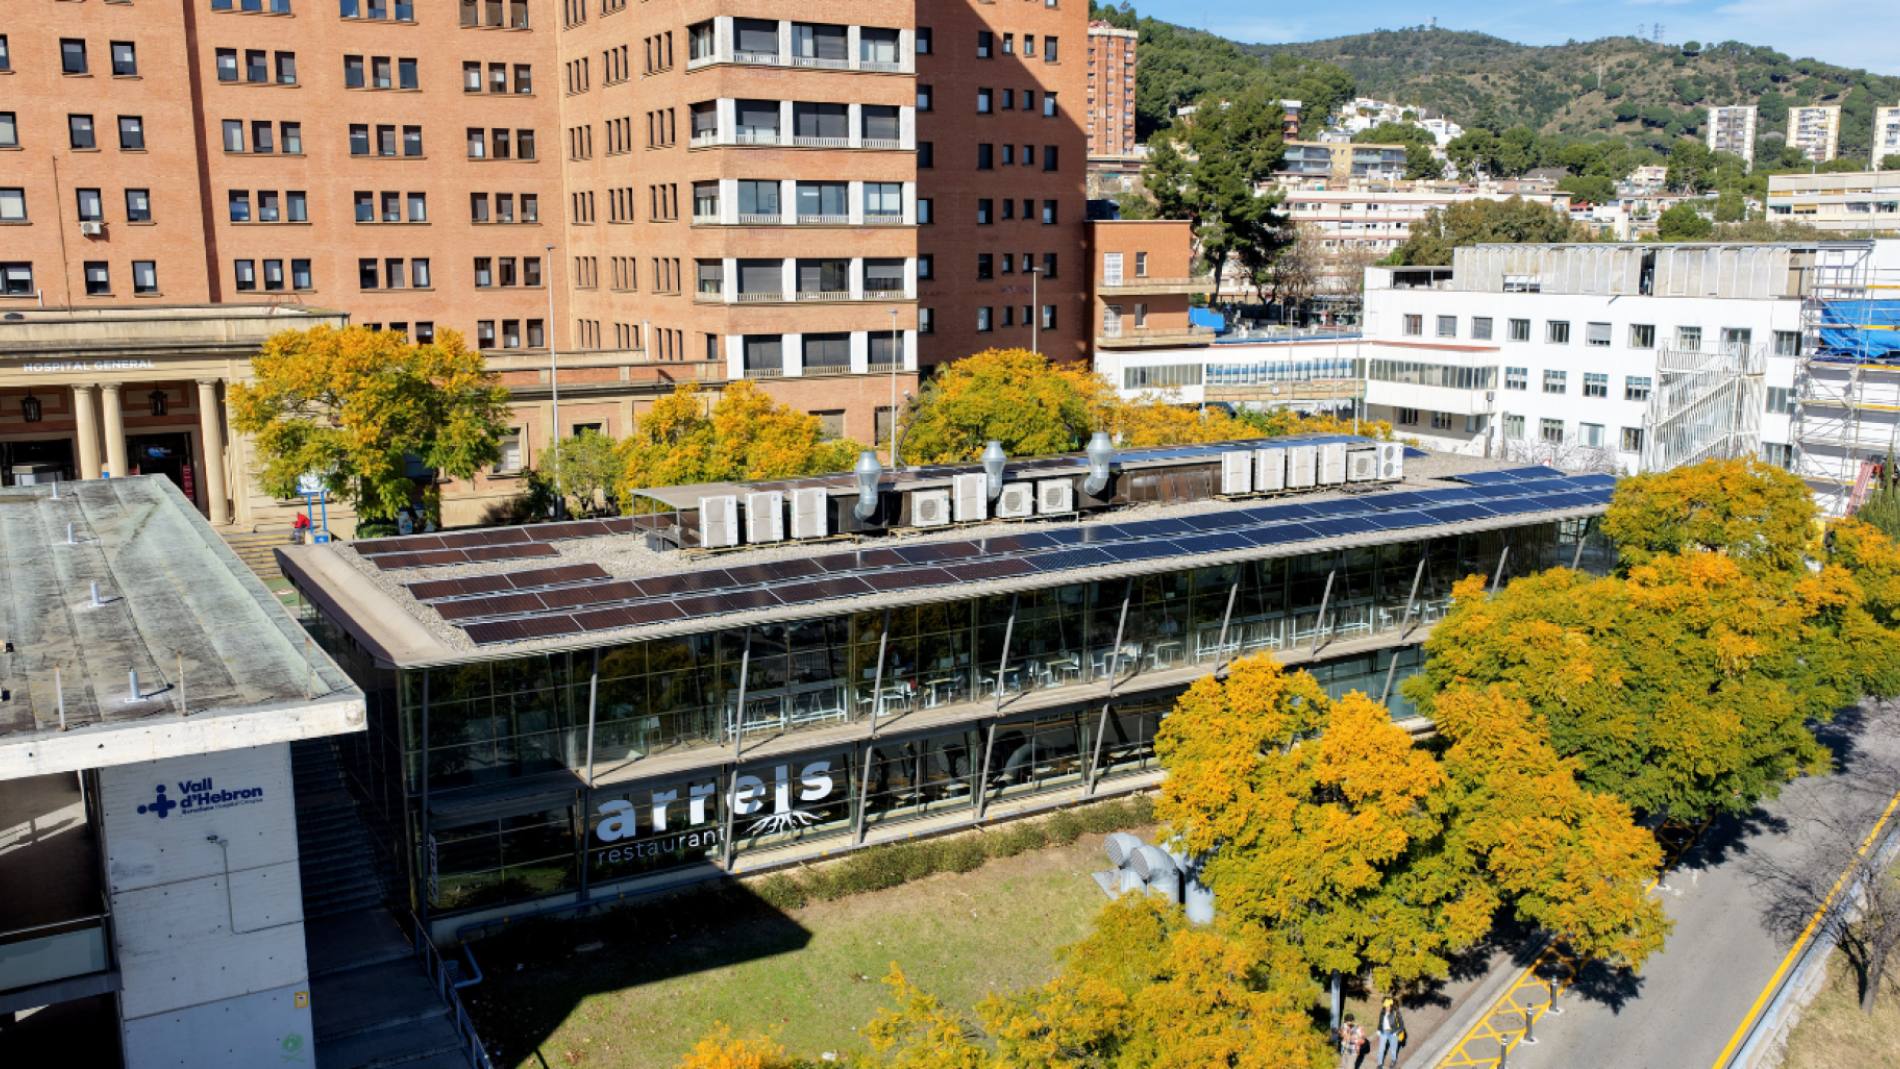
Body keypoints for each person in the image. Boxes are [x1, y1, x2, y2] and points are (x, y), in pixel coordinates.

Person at [1374, 997, 1406, 1069]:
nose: (1386, 1008)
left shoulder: (1396, 1013)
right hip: (1384, 1032)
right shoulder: (1382, 1012)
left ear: (1391, 1006)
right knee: (1381, 1049)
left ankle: (1393, 1061)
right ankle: (1379, 1064)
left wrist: (1396, 1032)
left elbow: (1402, 1025)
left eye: (1388, 1006)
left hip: (1393, 1033)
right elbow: (1380, 1023)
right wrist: (1379, 1030)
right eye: (1385, 1006)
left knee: (1393, 1049)